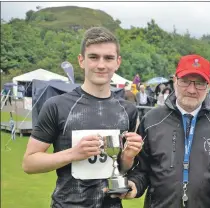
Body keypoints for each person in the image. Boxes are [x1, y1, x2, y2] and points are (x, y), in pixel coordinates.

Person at [22, 27, 143, 208]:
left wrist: (127, 157)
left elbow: (121, 168)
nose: (101, 65)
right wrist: (73, 153)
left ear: (117, 62)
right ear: (81, 61)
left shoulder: (128, 110)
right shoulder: (57, 105)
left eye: (108, 58)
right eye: (93, 57)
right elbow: (29, 163)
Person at [115, 54, 210, 207]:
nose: (191, 89)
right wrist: (133, 186)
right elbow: (141, 170)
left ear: (208, 85)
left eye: (199, 83)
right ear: (175, 81)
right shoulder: (152, 120)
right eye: (185, 81)